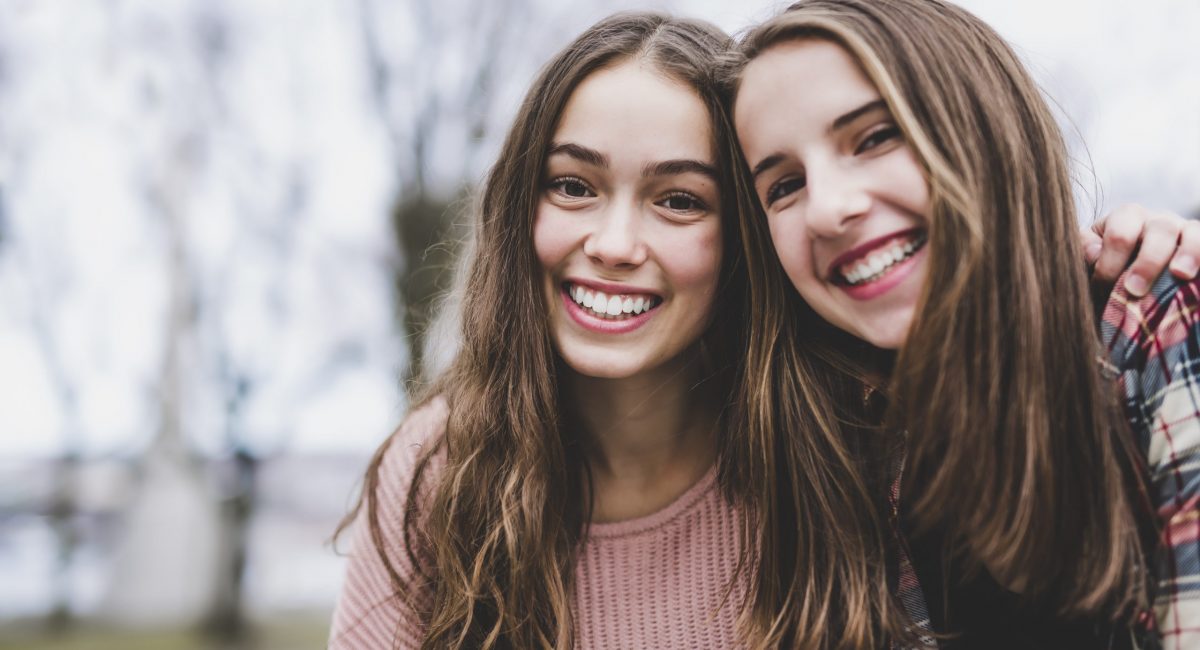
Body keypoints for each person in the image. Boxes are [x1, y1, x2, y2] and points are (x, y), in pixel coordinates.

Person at [726, 0, 1200, 648]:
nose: (828, 210)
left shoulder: (1160, 324)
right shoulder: (834, 460)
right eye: (783, 185)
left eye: (874, 137)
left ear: (982, 124)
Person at [329, 12, 758, 648]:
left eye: (680, 200)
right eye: (572, 186)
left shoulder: (836, 462)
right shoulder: (434, 474)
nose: (613, 245)